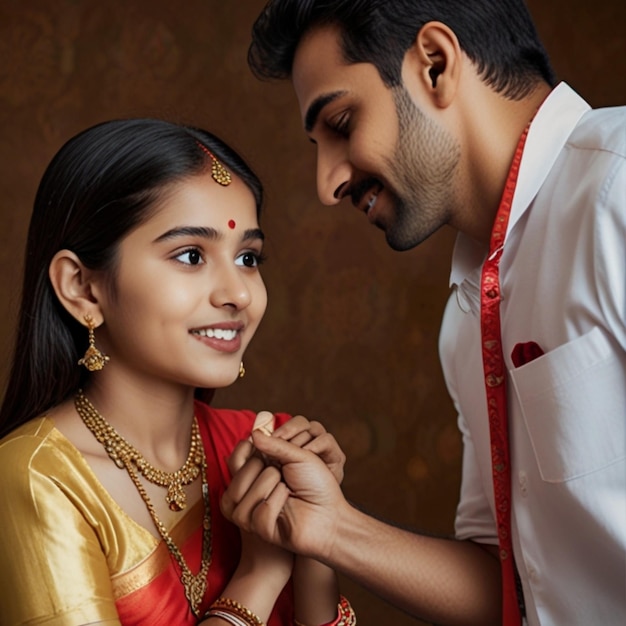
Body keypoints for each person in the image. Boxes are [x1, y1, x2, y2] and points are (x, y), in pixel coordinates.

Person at [220, 1, 626, 625]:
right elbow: (513, 587)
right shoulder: (466, 318)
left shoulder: (615, 191)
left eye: (342, 121)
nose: (327, 182)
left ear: (434, 65)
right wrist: (332, 529)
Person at [0, 118, 357, 626]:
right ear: (82, 288)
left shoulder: (259, 447)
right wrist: (261, 575)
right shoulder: (38, 480)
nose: (237, 294)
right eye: (191, 256)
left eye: (249, 257)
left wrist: (320, 536)